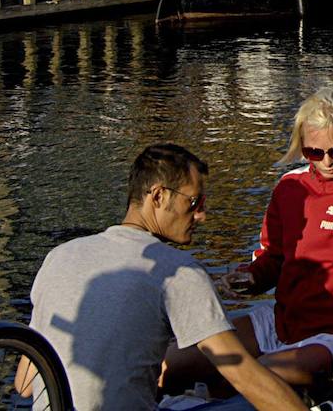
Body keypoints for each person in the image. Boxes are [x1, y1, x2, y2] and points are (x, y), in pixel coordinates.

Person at [164, 90, 333, 396]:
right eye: (315, 153)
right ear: (302, 146)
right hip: (281, 322)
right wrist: (250, 277)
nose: (327, 162)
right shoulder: (289, 187)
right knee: (170, 363)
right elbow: (272, 259)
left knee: (256, 378)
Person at [27, 144, 305, 411]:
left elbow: (25, 383)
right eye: (194, 202)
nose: (202, 216)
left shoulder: (60, 255)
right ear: (158, 196)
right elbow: (242, 374)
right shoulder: (178, 270)